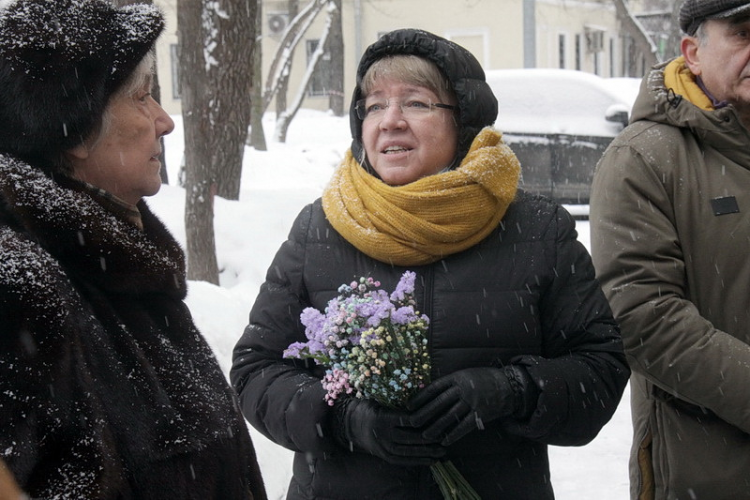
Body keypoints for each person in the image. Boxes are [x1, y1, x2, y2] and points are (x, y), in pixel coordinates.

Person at [231, 28, 629, 500]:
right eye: (375, 104)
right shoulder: (321, 227)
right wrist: (344, 419)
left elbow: (599, 368)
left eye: (416, 103)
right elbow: (256, 370)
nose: (391, 120)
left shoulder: (538, 230)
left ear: (464, 121)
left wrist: (513, 389)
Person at [0, 1, 267, 499]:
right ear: (75, 129)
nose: (164, 122)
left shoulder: (114, 265)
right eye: (142, 98)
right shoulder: (19, 281)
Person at [590, 1, 750, 498]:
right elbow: (644, 318)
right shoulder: (643, 158)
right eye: (743, 33)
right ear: (692, 53)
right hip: (710, 471)